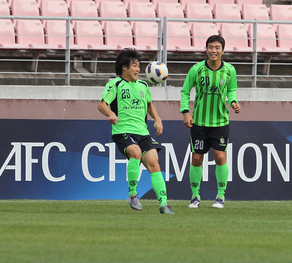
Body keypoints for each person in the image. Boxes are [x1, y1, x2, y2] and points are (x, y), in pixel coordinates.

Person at [98, 48, 173, 214]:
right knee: (135, 152)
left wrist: (158, 119)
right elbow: (102, 104)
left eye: (139, 66)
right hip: (123, 131)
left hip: (143, 132)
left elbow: (149, 105)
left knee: (154, 163)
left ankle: (164, 204)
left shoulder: (143, 85)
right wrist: (110, 113)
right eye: (135, 66)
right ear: (124, 68)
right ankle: (132, 194)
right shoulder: (115, 84)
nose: (138, 69)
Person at [180, 35, 240, 209]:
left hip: (220, 122)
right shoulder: (196, 69)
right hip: (199, 122)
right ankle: (195, 196)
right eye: (210, 47)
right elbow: (185, 91)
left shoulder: (230, 70)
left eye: (217, 48)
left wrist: (234, 102)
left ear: (223, 50)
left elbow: (232, 90)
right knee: (197, 158)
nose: (214, 51)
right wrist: (185, 112)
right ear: (206, 49)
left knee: (220, 157)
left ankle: (220, 197)